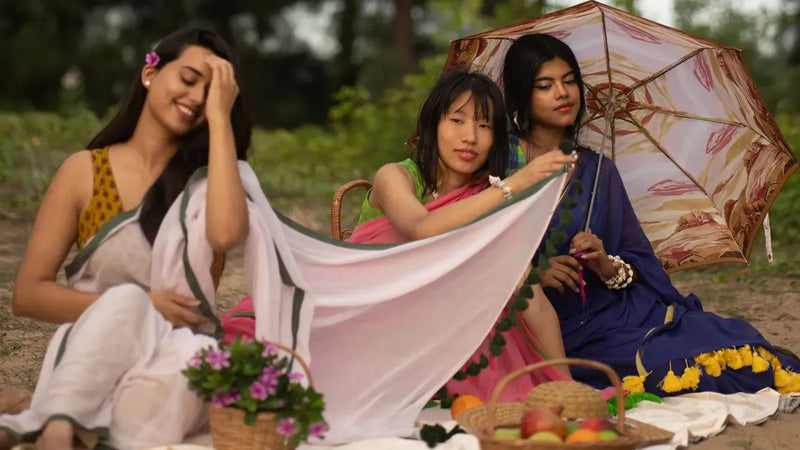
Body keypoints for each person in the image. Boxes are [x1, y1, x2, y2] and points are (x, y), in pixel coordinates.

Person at [502, 33, 800, 396]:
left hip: (615, 310)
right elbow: (475, 253)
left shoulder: (598, 170)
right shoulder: (503, 165)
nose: (562, 93)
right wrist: (534, 273)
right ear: (522, 93)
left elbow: (637, 258)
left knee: (725, 341)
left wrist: (604, 264)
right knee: (681, 365)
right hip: (552, 329)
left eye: (569, 81)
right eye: (545, 86)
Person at [0, 27, 250, 449]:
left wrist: (222, 120)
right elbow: (28, 295)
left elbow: (225, 233)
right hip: (92, 355)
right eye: (189, 79)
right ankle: (57, 427)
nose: (196, 98)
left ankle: (35, 423)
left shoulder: (211, 180)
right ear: (150, 74)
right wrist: (141, 306)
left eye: (211, 93)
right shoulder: (85, 172)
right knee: (129, 301)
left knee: (179, 370)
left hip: (176, 359)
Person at [347, 69, 575, 402]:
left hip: (450, 339)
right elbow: (421, 228)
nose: (470, 137)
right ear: (432, 125)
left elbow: (532, 298)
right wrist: (516, 183)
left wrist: (568, 386)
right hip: (375, 325)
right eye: (457, 121)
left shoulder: (484, 198)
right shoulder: (395, 176)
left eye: (484, 126)